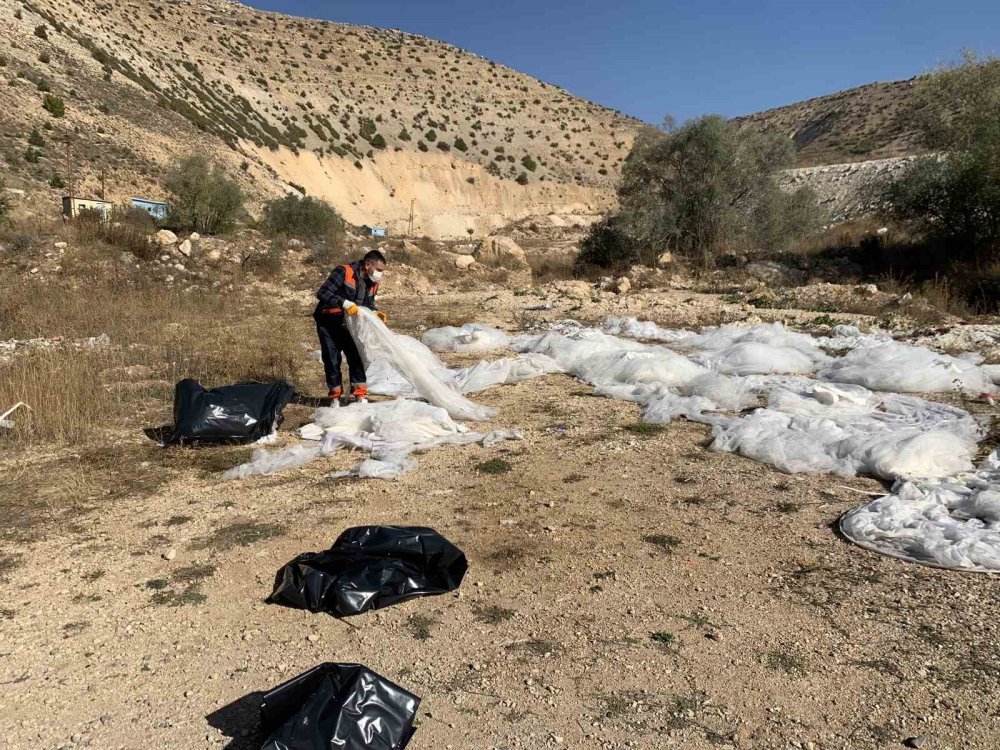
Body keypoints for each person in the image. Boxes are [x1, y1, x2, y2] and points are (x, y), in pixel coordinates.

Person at [313, 249, 388, 402]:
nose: (380, 274)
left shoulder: (373, 283)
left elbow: (368, 303)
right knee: (332, 359)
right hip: (329, 322)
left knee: (356, 356)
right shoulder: (344, 272)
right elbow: (323, 292)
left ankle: (360, 395)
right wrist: (344, 303)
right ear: (368, 265)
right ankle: (335, 397)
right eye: (379, 270)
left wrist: (374, 312)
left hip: (350, 324)